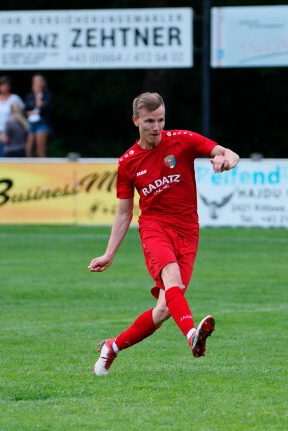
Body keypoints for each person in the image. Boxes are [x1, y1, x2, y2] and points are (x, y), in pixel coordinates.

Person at [87, 92, 239, 377]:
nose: (156, 127)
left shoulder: (183, 140)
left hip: (188, 230)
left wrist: (225, 162)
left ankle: (112, 347)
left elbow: (230, 153)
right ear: (135, 121)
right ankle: (192, 335)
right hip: (154, 227)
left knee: (164, 310)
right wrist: (109, 253)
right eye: (149, 121)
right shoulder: (128, 162)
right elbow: (123, 213)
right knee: (172, 280)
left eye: (160, 120)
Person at [0, 76, 24, 157]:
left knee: (8, 153)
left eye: (5, 85)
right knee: (0, 153)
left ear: (9, 86)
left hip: (9, 131)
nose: (3, 87)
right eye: (1, 85)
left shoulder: (15, 98)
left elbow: (21, 112)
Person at [25, 73, 53, 158]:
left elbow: (43, 108)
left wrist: (37, 95)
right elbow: (27, 109)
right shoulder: (30, 96)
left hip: (42, 123)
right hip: (30, 123)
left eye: (38, 81)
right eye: (35, 81)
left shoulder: (47, 95)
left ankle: (43, 169)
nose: (36, 83)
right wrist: (28, 112)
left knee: (40, 150)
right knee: (27, 149)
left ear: (43, 83)